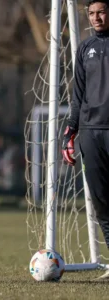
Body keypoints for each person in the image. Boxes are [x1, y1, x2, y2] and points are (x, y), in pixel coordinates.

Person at [62, 0, 109, 280]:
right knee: (101, 200)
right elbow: (78, 95)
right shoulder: (84, 48)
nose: (96, 17)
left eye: (101, 11)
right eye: (91, 13)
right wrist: (71, 131)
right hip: (91, 132)